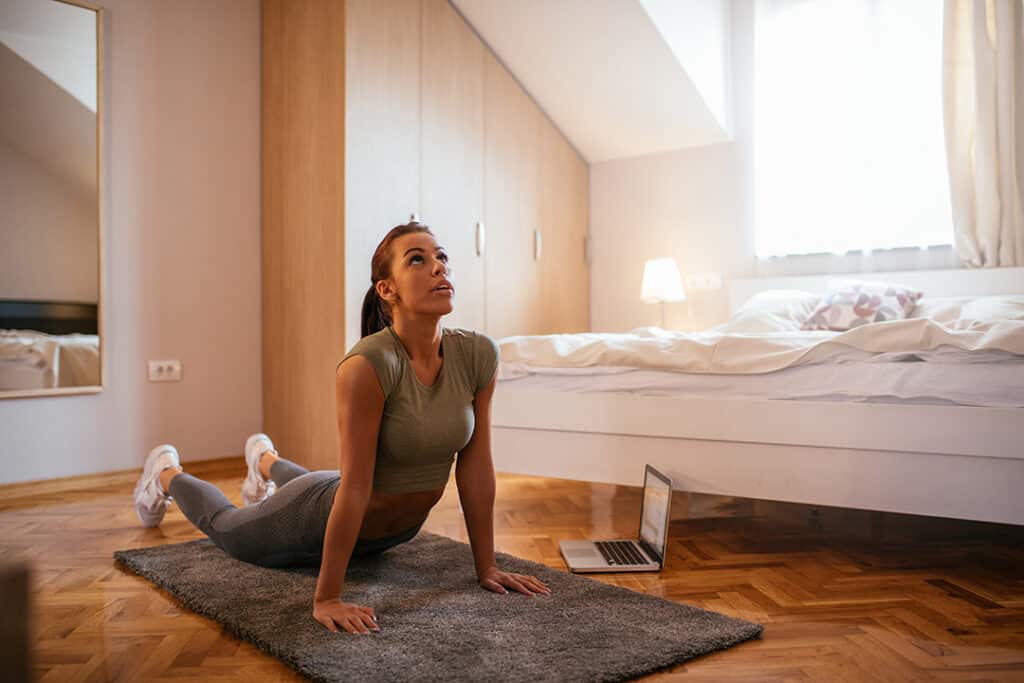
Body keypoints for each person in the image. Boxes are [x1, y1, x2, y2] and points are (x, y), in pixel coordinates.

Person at [132, 220, 551, 636]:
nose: (439, 267)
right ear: (388, 290)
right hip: (315, 518)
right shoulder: (369, 364)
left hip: (395, 532)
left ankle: (264, 460)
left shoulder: (478, 353)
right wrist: (327, 597)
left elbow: (476, 467)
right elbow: (354, 487)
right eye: (418, 260)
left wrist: (487, 566)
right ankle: (165, 473)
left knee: (327, 481)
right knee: (227, 528)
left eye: (442, 257)